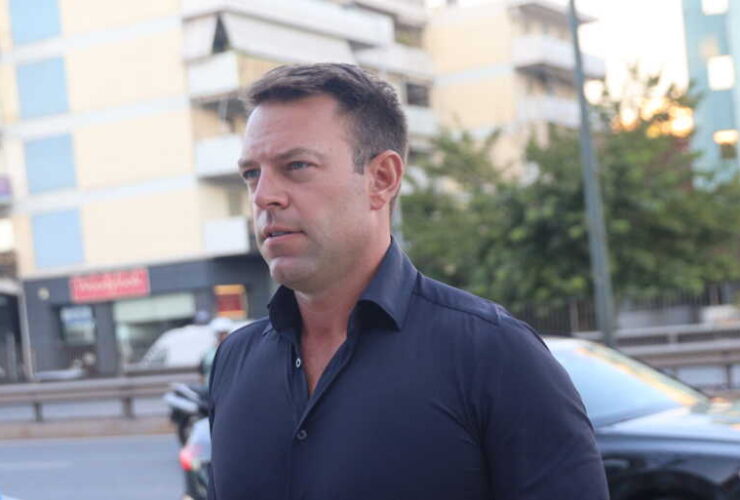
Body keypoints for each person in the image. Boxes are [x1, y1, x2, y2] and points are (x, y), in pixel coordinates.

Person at [207, 63, 609, 500]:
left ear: (382, 179)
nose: (264, 195)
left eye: (296, 165)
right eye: (252, 173)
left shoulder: (494, 355)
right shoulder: (234, 360)